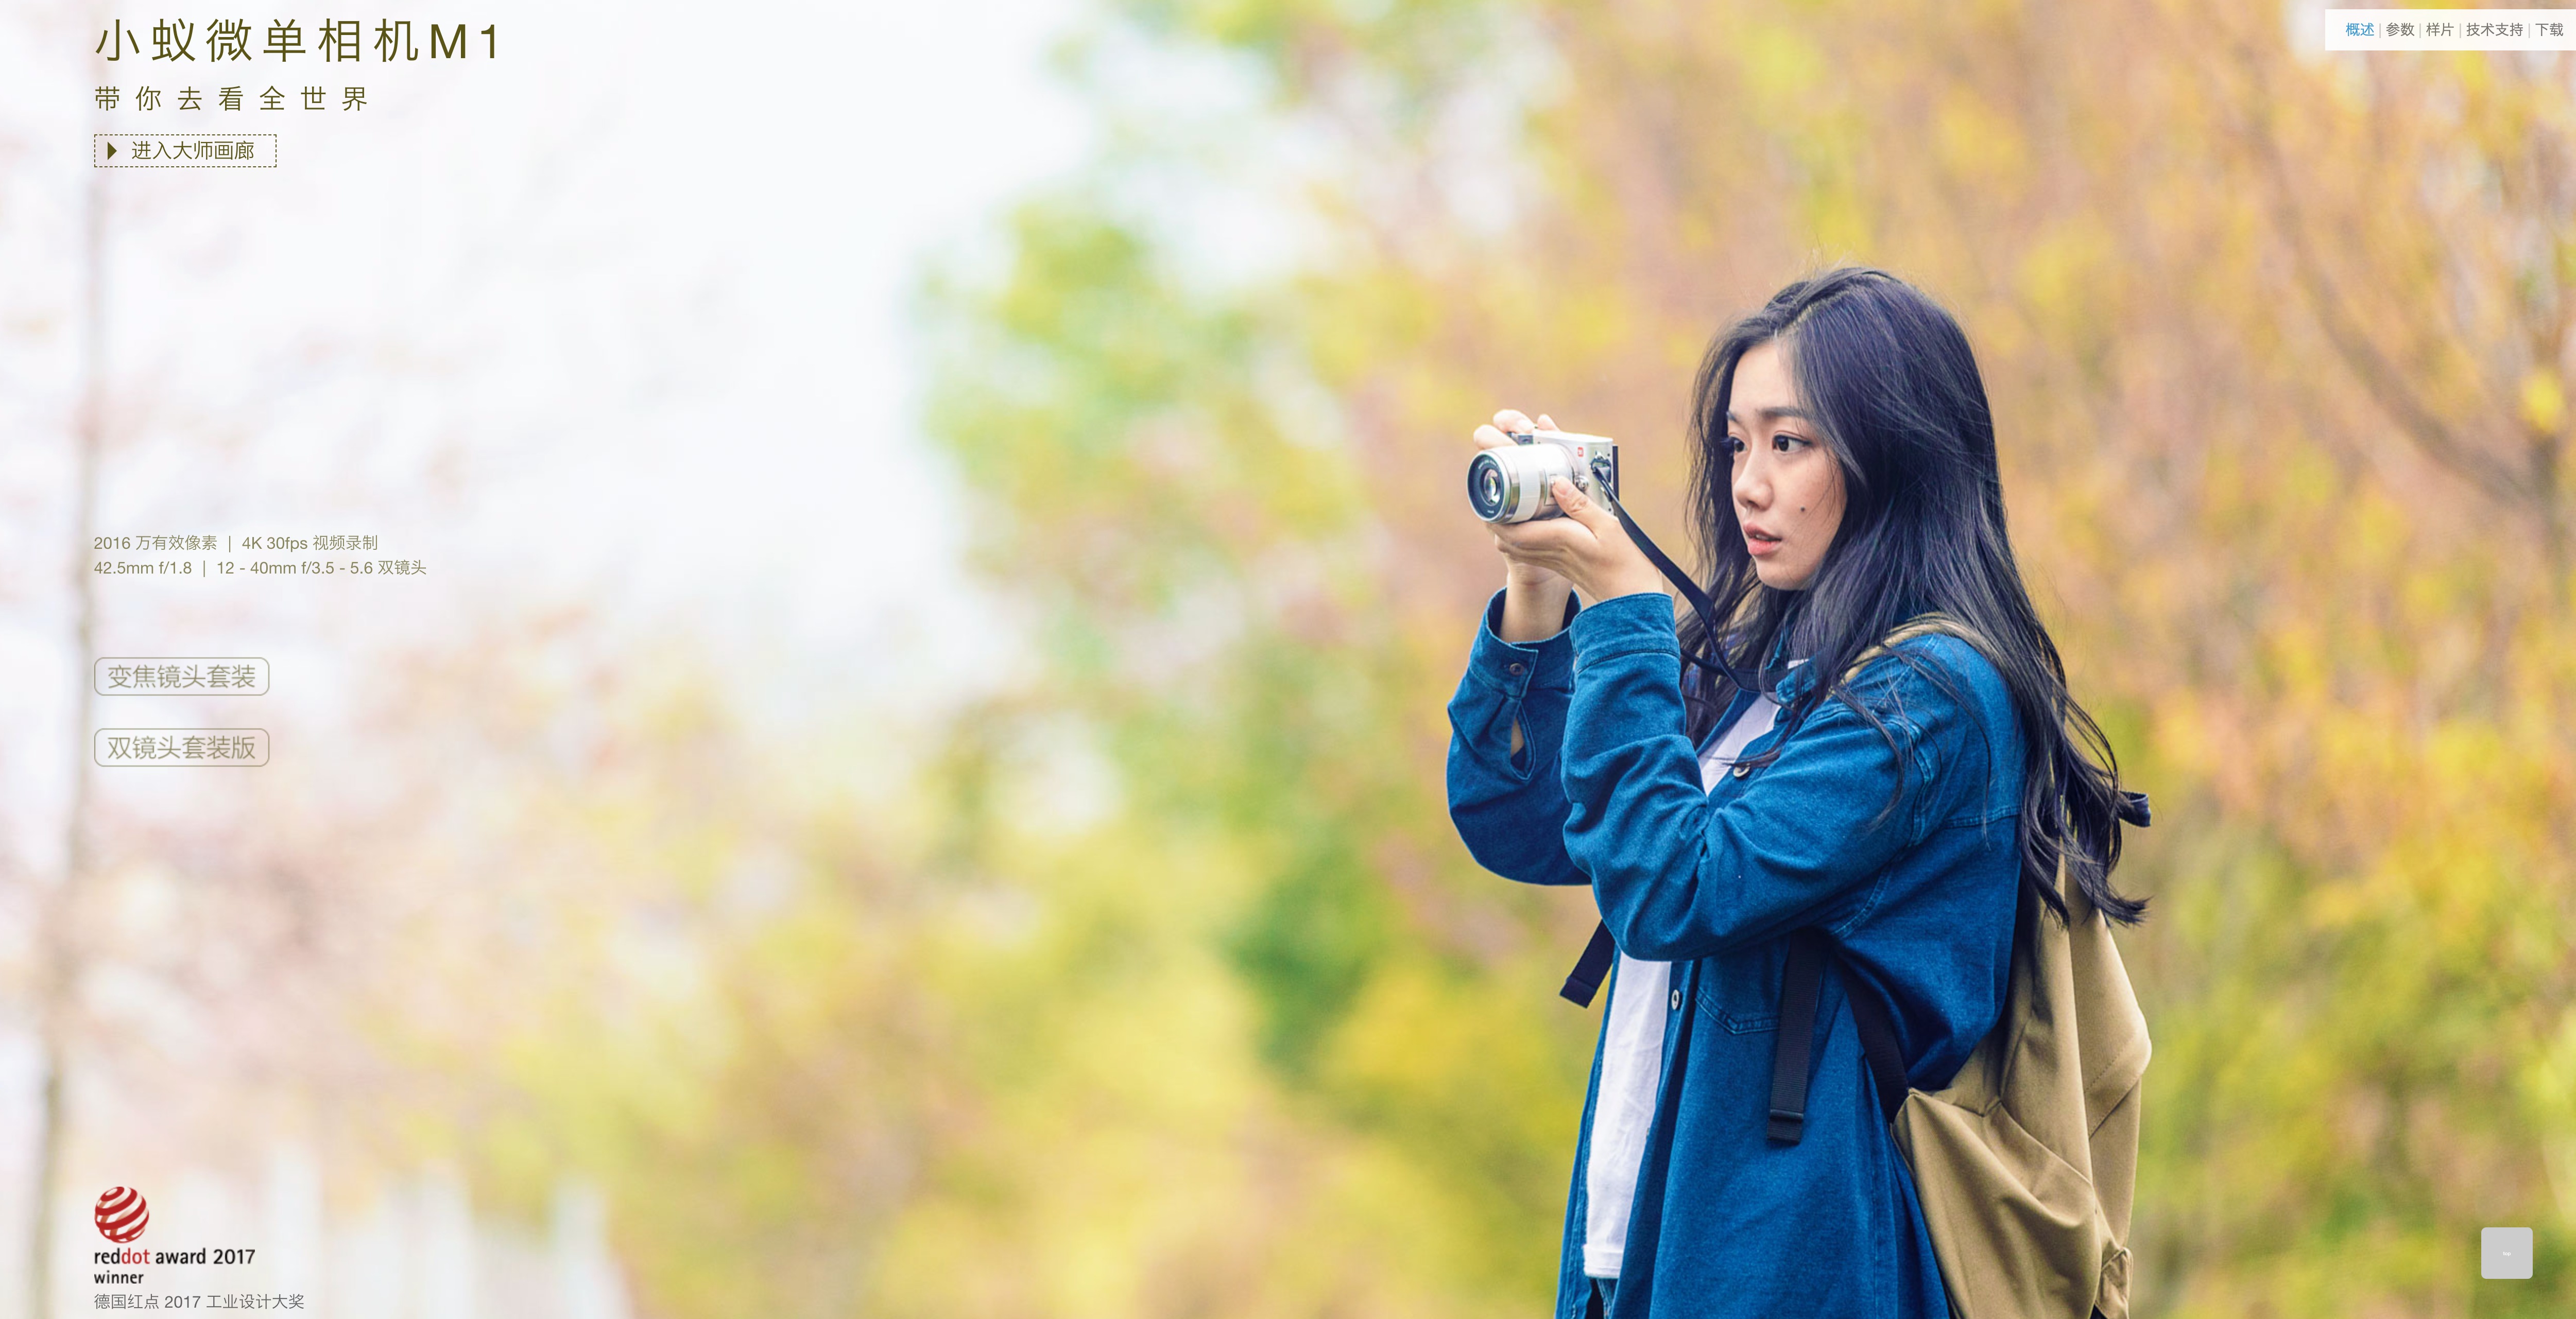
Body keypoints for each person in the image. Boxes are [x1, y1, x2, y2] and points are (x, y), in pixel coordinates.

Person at [1444, 267, 2146, 1319]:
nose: (1748, 483)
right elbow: (1526, 822)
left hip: (1791, 1259)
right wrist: (1538, 593)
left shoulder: (1935, 695)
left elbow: (1675, 889)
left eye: (1789, 441)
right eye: (1735, 444)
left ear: (1891, 454)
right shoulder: (1755, 669)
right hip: (1636, 1235)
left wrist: (1626, 616)